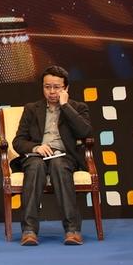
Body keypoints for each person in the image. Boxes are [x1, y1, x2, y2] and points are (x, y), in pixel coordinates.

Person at [12, 65, 92, 246]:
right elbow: (18, 141)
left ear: (66, 88)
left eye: (57, 87)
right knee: (35, 166)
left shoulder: (78, 107)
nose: (52, 91)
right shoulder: (32, 109)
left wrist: (65, 106)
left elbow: (85, 132)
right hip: (37, 157)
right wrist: (35, 147)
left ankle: (72, 230)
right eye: (47, 87)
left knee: (59, 165)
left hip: (64, 157)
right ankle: (29, 231)